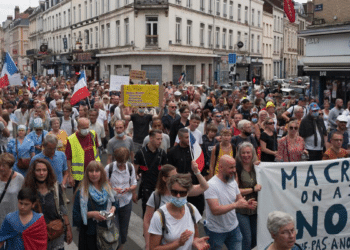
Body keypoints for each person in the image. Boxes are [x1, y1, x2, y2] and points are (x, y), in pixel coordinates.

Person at [143, 163, 209, 250]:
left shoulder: (191, 210)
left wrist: (195, 241)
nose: (178, 196)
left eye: (182, 193)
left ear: (187, 192)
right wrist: (178, 243)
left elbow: (194, 236)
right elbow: (147, 221)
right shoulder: (158, 212)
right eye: (174, 192)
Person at [204, 155, 257, 250]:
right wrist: (236, 205)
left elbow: (239, 199)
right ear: (220, 167)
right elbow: (215, 210)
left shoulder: (232, 181)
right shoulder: (211, 185)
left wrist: (246, 204)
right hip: (216, 231)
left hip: (234, 228)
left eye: (234, 167)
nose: (234, 170)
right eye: (231, 167)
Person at [23, 158, 73, 249]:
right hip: (36, 236)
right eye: (38, 170)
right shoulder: (28, 190)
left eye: (44, 170)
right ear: (33, 172)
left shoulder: (56, 187)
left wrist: (68, 229)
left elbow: (63, 209)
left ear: (48, 171)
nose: (41, 173)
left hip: (55, 234)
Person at [73, 161, 117, 250]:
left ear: (101, 172)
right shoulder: (81, 191)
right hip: (89, 234)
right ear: (87, 173)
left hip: (106, 231)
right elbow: (76, 216)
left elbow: (115, 202)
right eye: (91, 171)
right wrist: (92, 214)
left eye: (97, 171)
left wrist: (113, 208)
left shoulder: (107, 187)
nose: (94, 174)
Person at [105, 147, 137, 250]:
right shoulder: (108, 168)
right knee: (113, 227)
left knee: (124, 228)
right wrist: (112, 189)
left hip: (126, 202)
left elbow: (134, 183)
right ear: (115, 159)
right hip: (111, 203)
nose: (121, 165)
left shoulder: (130, 167)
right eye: (119, 162)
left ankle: (121, 246)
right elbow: (103, 185)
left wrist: (128, 189)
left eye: (123, 163)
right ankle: (114, 245)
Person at [168, 128, 205, 215]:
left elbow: (202, 168)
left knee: (197, 213)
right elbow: (170, 170)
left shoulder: (195, 150)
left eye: (189, 137)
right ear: (180, 138)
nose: (189, 140)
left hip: (194, 186)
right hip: (180, 188)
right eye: (186, 137)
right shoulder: (172, 152)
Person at [134, 129, 167, 216]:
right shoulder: (140, 153)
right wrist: (134, 192)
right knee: (147, 214)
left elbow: (165, 173)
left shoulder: (162, 153)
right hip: (146, 189)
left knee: (159, 214)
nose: (160, 141)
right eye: (158, 139)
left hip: (159, 188)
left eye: (161, 139)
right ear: (151, 138)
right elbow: (134, 173)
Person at [235, 142, 261, 250]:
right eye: (243, 153)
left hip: (256, 208)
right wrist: (252, 189)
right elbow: (235, 191)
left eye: (248, 152)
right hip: (242, 209)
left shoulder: (258, 167)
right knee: (247, 238)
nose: (246, 155)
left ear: (253, 153)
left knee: (255, 238)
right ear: (239, 154)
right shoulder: (236, 168)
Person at [66, 118, 100, 191]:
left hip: (93, 173)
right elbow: (68, 159)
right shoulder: (71, 139)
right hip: (79, 177)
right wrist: (70, 175)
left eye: (87, 127)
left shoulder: (93, 134)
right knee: (79, 198)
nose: (86, 130)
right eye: (84, 128)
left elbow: (96, 149)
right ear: (78, 127)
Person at [0, 153, 25, 226]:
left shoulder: (19, 178)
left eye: (4, 166)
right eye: (0, 165)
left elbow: (23, 198)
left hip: (14, 217)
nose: (1, 168)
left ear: (10, 166)